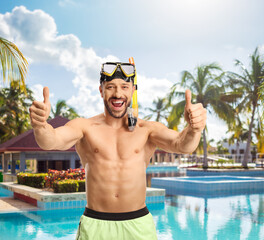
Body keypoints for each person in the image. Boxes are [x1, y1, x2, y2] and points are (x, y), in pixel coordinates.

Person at [29, 61, 207, 240]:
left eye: (124, 86)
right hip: (95, 224)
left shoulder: (146, 129)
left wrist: (194, 129)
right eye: (111, 87)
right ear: (101, 91)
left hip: (138, 224)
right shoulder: (85, 127)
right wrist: (40, 125)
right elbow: (50, 140)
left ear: (132, 91)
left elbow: (182, 145)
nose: (117, 93)